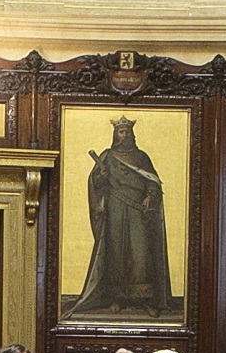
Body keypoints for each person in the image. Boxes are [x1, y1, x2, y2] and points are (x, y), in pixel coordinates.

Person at [70, 116, 173, 315]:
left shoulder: (142, 157)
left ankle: (146, 300)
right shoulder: (107, 156)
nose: (124, 135)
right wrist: (102, 177)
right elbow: (96, 183)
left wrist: (150, 195)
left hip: (138, 212)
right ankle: (116, 298)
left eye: (127, 131)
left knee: (141, 254)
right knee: (116, 253)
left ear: (132, 134)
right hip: (115, 210)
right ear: (115, 134)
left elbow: (153, 181)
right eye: (121, 131)